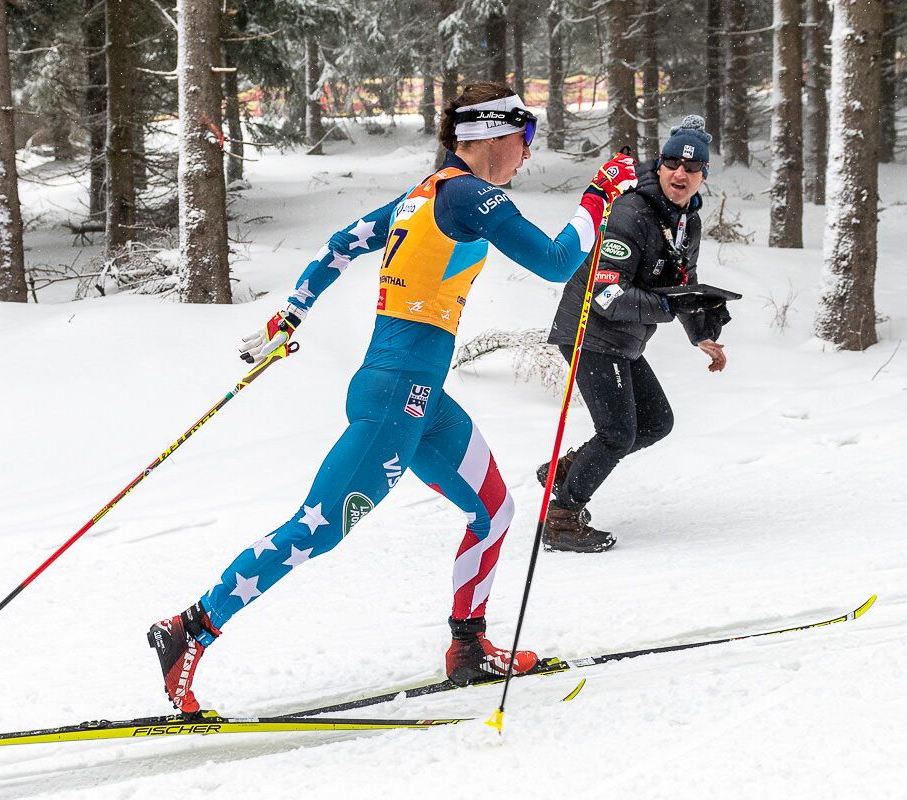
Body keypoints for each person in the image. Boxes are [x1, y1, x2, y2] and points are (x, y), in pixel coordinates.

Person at [147, 81, 638, 715]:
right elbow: (552, 261)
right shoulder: (470, 194)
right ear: (496, 134)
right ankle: (190, 628)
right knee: (314, 531)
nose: (528, 154)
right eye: (527, 137)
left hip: (418, 395)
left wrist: (290, 317)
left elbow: (341, 244)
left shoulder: (424, 196)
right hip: (396, 398)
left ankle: (469, 648)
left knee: (494, 509)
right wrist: (599, 193)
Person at [540, 115, 731, 554]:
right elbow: (607, 292)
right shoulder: (630, 211)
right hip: (590, 329)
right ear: (659, 165)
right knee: (617, 432)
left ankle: (568, 471)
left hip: (624, 337)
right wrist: (666, 307)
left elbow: (683, 280)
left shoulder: (687, 220)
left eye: (692, 168)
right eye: (671, 164)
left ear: (703, 175)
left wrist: (700, 333)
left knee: (656, 423)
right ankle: (563, 518)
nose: (680, 174)